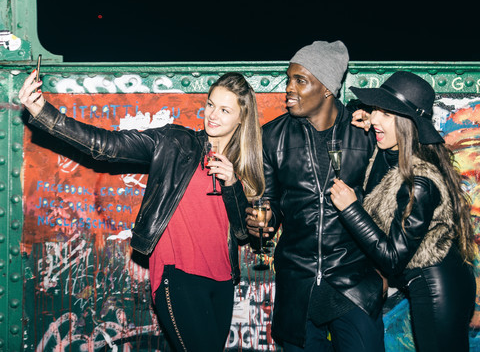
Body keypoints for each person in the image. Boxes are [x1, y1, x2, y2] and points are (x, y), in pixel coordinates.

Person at [19, 71, 265, 352]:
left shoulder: (245, 166)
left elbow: (243, 231)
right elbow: (105, 146)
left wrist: (232, 183)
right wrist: (43, 112)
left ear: (241, 118)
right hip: (179, 274)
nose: (212, 115)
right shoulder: (175, 142)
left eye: (224, 110)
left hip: (221, 280)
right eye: (210, 104)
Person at [247, 41, 385, 351]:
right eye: (288, 78)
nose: (288, 89)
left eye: (300, 80)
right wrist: (263, 222)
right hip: (298, 281)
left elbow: (384, 203)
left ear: (327, 89)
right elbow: (269, 200)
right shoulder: (272, 136)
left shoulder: (363, 132)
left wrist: (382, 270)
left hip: (354, 279)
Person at [330, 71, 476, 352]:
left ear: (408, 124)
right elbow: (377, 145)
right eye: (375, 111)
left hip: (438, 287)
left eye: (385, 113)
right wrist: (360, 112)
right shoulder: (396, 154)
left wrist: (351, 210)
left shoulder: (420, 181)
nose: (374, 120)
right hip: (432, 280)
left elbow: (393, 258)